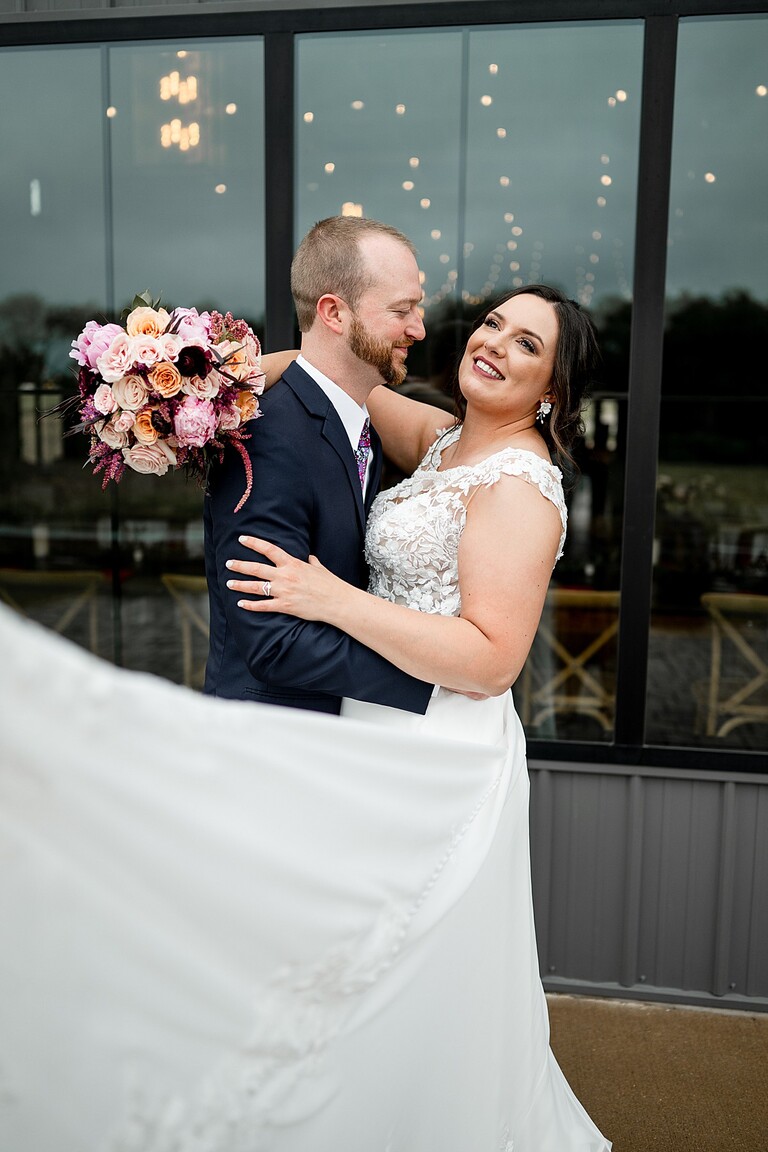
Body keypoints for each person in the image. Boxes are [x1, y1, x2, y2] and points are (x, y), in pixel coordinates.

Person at [221, 283, 612, 1149]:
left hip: (441, 751)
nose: (494, 343)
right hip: (375, 731)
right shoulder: (439, 440)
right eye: (493, 324)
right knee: (356, 960)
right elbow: (325, 374)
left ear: (552, 391)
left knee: (407, 968)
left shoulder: (521, 487)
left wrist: (332, 600)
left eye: (526, 344)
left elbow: (491, 660)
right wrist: (205, 386)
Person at [203, 214, 433, 716]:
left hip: (332, 734)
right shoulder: (265, 437)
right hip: (270, 740)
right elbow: (272, 642)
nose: (418, 328)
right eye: (402, 310)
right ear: (334, 313)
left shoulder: (359, 425)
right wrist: (436, 681)